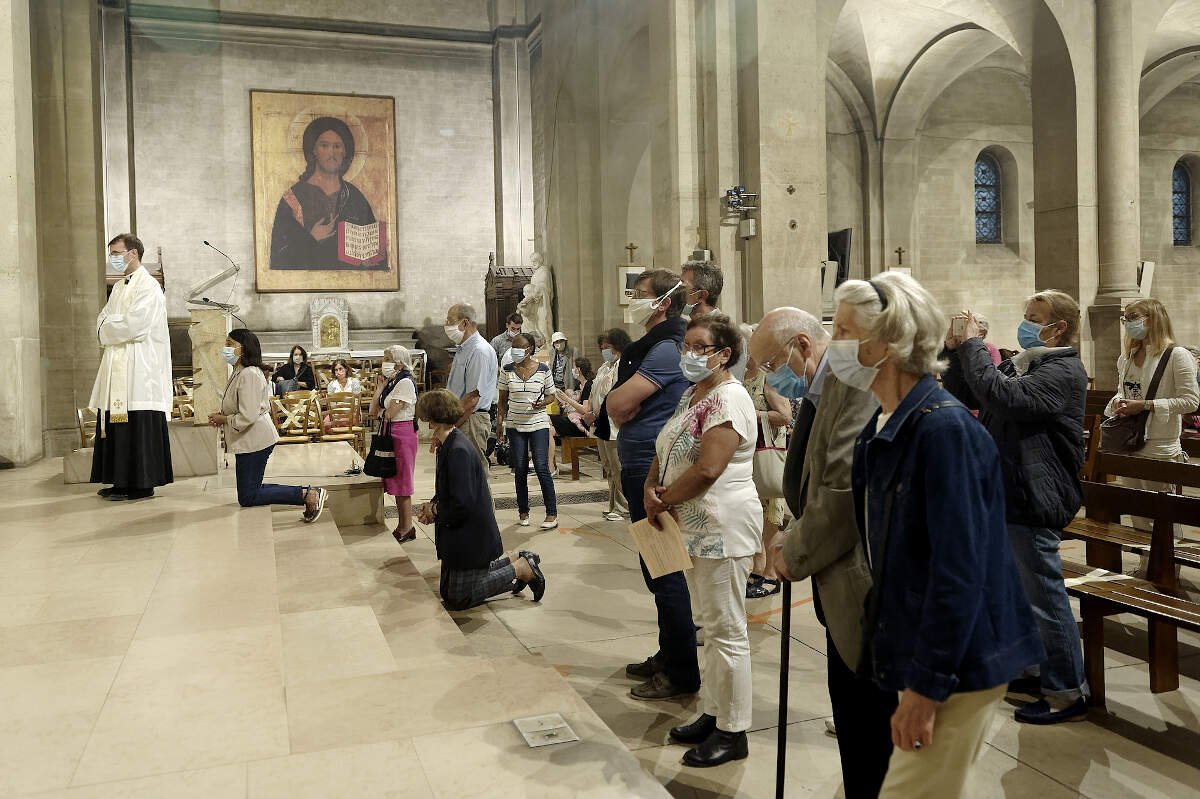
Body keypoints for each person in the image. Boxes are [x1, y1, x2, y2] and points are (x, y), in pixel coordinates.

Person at [836, 273, 1042, 798]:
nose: (833, 345)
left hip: (963, 658)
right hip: (925, 648)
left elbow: (959, 571)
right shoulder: (880, 428)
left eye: (842, 331)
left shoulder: (945, 431)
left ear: (887, 342)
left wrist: (926, 688)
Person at [755, 307, 893, 799]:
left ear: (802, 344)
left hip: (864, 573)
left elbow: (840, 489)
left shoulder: (853, 383)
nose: (771, 378)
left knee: (870, 717)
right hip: (838, 573)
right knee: (851, 709)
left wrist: (793, 547)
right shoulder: (824, 386)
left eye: (771, 365)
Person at [943, 290, 1092, 724]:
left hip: (1036, 493)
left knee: (1045, 596)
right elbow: (968, 392)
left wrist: (974, 345)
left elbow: (1006, 400)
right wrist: (954, 351)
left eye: (1033, 318)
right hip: (1010, 490)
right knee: (1019, 594)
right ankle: (1032, 668)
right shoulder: (1028, 361)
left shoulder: (1063, 370)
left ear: (1058, 327)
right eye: (1026, 316)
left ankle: (1067, 690)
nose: (1025, 324)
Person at [646, 314, 762, 767]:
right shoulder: (697, 394)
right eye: (686, 346)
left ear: (723, 353)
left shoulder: (729, 399)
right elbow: (668, 446)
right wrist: (650, 487)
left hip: (722, 525)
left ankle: (734, 732)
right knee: (709, 627)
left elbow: (709, 468)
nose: (689, 354)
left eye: (699, 347)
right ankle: (714, 713)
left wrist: (664, 499)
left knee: (727, 630)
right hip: (692, 526)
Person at [601, 269, 699, 701]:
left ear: (663, 303)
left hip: (652, 467)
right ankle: (668, 653)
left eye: (640, 294)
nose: (632, 299)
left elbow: (618, 404)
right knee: (654, 567)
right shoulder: (655, 345)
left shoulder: (664, 348)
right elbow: (618, 411)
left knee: (665, 570)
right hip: (640, 459)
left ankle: (681, 671)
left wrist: (617, 407)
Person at [415, 389, 546, 610]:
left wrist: (436, 511)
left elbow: (462, 503)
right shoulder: (449, 445)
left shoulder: (458, 451)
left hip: (471, 535)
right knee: (448, 592)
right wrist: (432, 506)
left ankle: (521, 568)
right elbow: (449, 490)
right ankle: (516, 560)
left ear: (432, 420)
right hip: (459, 534)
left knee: (458, 598)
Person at [207, 328, 328, 522]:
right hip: (248, 439)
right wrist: (222, 415)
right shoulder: (240, 372)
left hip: (255, 439)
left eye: (230, 344)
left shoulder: (249, 374)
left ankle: (307, 494)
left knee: (249, 496)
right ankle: (307, 493)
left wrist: (225, 420)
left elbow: (248, 415)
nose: (225, 348)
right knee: (250, 492)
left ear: (244, 349)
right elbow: (241, 406)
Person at [1103, 298, 1199, 532]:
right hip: (1129, 440)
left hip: (1160, 444)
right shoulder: (1126, 356)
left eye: (1133, 318)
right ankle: (1146, 566)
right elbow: (1121, 391)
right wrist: (1118, 403)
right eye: (1125, 318)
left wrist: (1146, 405)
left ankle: (1166, 568)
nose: (1127, 323)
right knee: (1138, 509)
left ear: (1153, 319)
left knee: (1162, 513)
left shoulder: (1177, 355)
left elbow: (1191, 401)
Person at [90, 233, 174, 501]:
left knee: (136, 423)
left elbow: (135, 326)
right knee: (116, 424)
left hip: (140, 368)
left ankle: (141, 484)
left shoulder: (149, 287)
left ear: (133, 253)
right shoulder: (118, 287)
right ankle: (120, 481)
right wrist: (112, 323)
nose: (112, 259)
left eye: (116, 253)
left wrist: (112, 323)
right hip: (117, 364)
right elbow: (101, 321)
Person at [269, 116, 386, 270]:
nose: (332, 153)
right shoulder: (293, 198)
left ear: (345, 151)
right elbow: (278, 257)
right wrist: (311, 238)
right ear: (314, 150)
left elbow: (376, 258)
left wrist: (371, 259)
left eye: (337, 146)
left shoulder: (355, 196)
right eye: (324, 145)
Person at [739, 325, 791, 599]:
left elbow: (784, 415)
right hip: (747, 455)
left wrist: (752, 413)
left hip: (766, 453)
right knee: (752, 516)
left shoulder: (767, 378)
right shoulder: (742, 376)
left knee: (769, 516)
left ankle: (770, 573)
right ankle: (757, 568)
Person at [496, 334, 559, 530]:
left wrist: (542, 403)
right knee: (520, 468)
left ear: (529, 349)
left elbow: (551, 396)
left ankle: (551, 513)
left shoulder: (543, 370)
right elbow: (502, 400)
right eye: (513, 346)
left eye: (519, 347)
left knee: (541, 467)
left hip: (538, 423)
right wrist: (500, 423)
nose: (514, 350)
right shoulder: (507, 370)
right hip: (516, 425)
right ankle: (523, 511)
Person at [370, 345, 420, 544]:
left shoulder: (405, 381)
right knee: (393, 479)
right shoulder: (391, 382)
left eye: (387, 358)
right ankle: (401, 525)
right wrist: (380, 388)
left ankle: (407, 527)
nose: (384, 362)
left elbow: (390, 413)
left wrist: (383, 412)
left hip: (403, 432)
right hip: (390, 432)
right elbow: (373, 410)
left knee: (403, 481)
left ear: (399, 361)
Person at [444, 303, 498, 467]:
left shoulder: (478, 351)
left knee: (473, 473)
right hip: (461, 416)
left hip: (471, 419)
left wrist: (449, 426)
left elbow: (472, 399)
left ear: (465, 323)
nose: (446, 325)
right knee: (460, 473)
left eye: (450, 320)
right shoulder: (464, 348)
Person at [681, 258, 747, 380]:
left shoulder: (728, 333)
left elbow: (731, 380)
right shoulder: (689, 328)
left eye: (682, 287)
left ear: (701, 295)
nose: (677, 293)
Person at [592, 330, 631, 521]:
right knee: (608, 466)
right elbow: (596, 392)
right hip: (601, 422)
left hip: (615, 423)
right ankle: (613, 504)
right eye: (602, 347)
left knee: (618, 467)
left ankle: (624, 506)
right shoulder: (604, 368)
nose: (604, 350)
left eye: (607, 347)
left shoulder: (623, 366)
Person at [553, 357, 595, 440]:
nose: (572, 370)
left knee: (549, 419)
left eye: (574, 367)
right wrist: (564, 403)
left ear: (578, 369)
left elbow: (584, 410)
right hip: (573, 417)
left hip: (584, 422)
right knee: (550, 426)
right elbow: (575, 403)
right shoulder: (578, 385)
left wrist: (567, 399)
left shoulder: (589, 385)